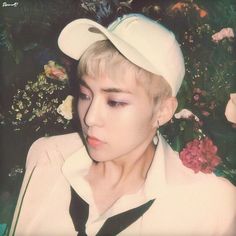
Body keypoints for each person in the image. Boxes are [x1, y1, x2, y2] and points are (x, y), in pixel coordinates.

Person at [10, 14, 236, 236]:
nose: (89, 118)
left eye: (115, 102)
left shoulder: (212, 206)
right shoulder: (47, 156)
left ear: (164, 110)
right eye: (85, 94)